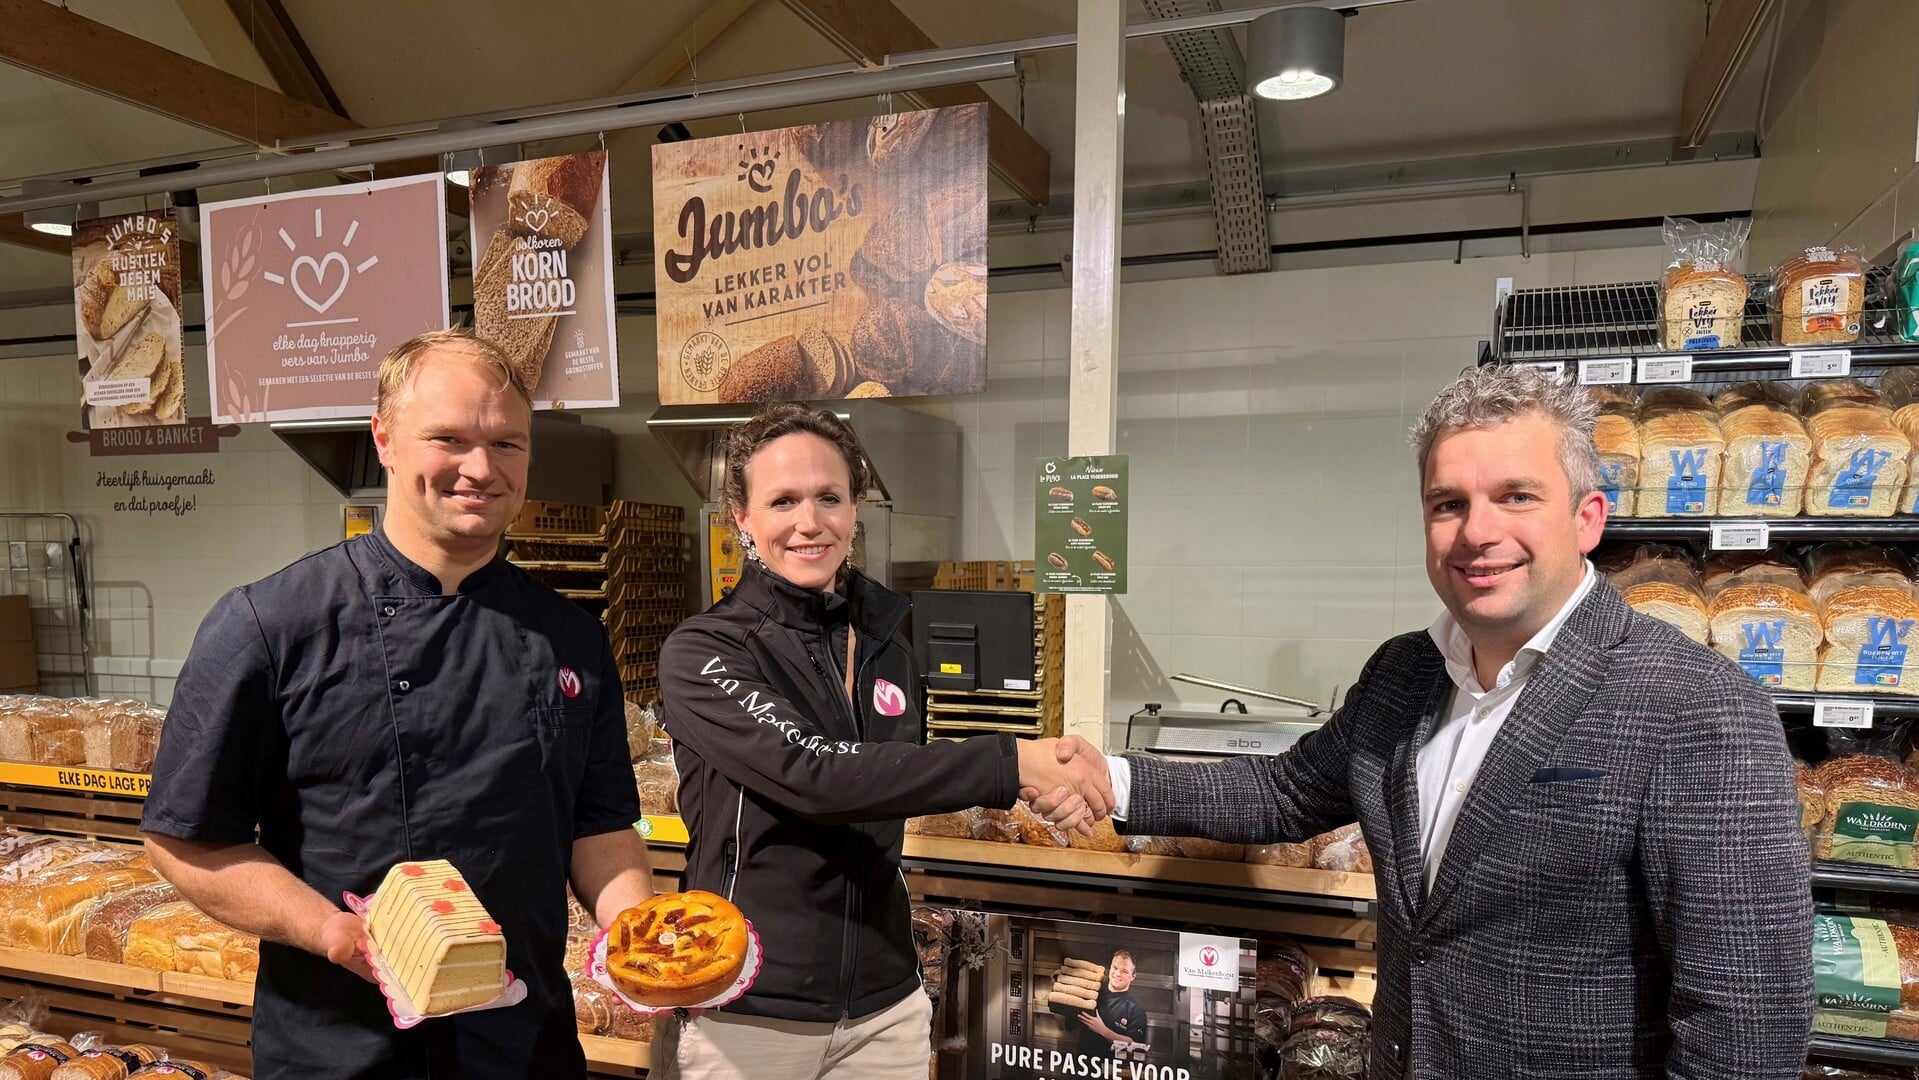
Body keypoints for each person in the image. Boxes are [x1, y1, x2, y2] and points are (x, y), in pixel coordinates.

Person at [1039, 365, 1814, 1079]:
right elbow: (1289, 791)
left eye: (1516, 496)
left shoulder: (1699, 708)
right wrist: (1110, 778)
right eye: (1448, 504)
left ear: (1587, 519)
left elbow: (1746, 1020)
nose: (1477, 532)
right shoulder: (1404, 673)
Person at [141, 330, 654, 1079]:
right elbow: (186, 840)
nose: (481, 469)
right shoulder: (272, 623)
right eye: (448, 438)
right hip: (339, 1048)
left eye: (507, 444)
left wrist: (642, 936)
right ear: (383, 437)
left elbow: (600, 828)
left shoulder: (569, 636)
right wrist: (331, 931)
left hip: (523, 1044)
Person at [653, 403, 1111, 1079]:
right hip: (747, 1010)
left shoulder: (885, 646)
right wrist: (1012, 760)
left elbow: (887, 776)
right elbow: (814, 774)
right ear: (741, 520)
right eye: (782, 501)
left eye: (828, 498)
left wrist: (1045, 790)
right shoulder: (705, 651)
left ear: (855, 507)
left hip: (884, 1011)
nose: (809, 522)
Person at [1075, 950, 1147, 1058]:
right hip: (1082, 1068)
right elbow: (1062, 1025)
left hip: (1112, 1071)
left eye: (1124, 971)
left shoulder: (1136, 1010)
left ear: (1133, 977)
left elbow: (1136, 1048)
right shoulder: (1091, 996)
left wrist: (1103, 1030)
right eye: (1115, 968)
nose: (1117, 973)